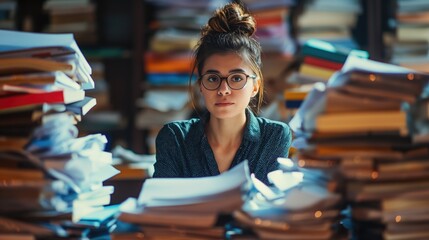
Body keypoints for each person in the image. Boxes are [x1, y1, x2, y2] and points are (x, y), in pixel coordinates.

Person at [153, 2, 292, 184]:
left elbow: (267, 205)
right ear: (201, 85)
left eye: (236, 78)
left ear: (255, 86)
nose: (223, 90)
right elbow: (162, 205)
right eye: (212, 78)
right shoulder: (175, 138)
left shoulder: (274, 136)